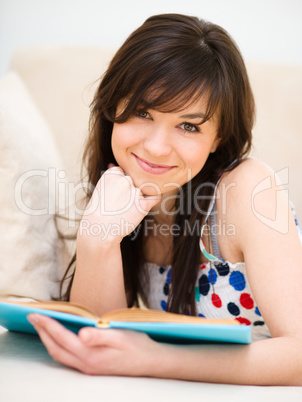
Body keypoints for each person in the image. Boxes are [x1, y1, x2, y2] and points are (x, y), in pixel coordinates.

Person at [28, 13, 302, 385]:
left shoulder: (247, 188)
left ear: (218, 138)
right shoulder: (122, 197)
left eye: (189, 126)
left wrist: (154, 358)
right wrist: (98, 240)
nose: (156, 147)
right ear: (113, 110)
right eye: (142, 112)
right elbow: (101, 343)